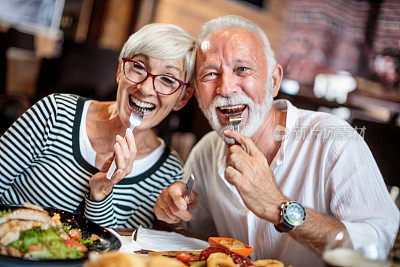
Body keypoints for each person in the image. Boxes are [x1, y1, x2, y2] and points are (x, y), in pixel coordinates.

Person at [153, 15, 400, 266]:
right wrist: (172, 214)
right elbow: (196, 244)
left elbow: (377, 246)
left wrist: (278, 207)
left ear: (273, 81)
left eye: (242, 69)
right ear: (196, 92)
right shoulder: (205, 153)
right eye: (211, 74)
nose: (226, 88)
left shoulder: (334, 140)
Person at [0, 23, 196, 228]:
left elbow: (113, 253)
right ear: (120, 70)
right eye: (138, 67)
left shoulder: (168, 171)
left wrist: (101, 193)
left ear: (182, 98)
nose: (145, 88)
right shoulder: (56, 112)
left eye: (167, 80)